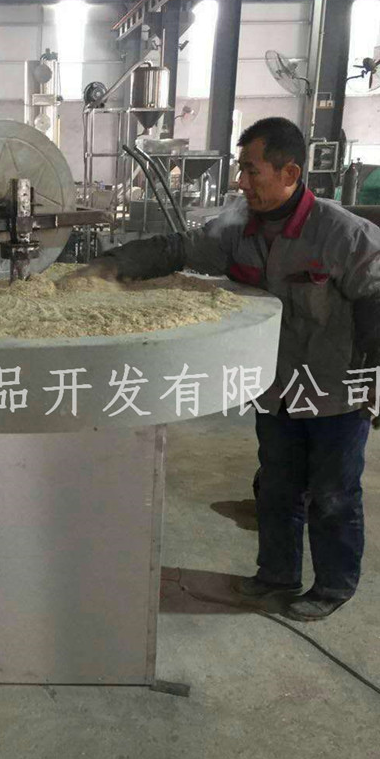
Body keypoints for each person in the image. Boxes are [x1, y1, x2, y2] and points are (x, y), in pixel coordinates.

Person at [76, 117, 380, 621]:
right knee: (277, 488)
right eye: (241, 169)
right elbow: (178, 249)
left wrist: (374, 376)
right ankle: (276, 575)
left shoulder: (343, 234)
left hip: (334, 391)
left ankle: (334, 585)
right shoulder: (239, 228)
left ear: (289, 173)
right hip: (274, 386)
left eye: (251, 170)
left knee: (332, 495)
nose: (241, 182)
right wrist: (112, 265)